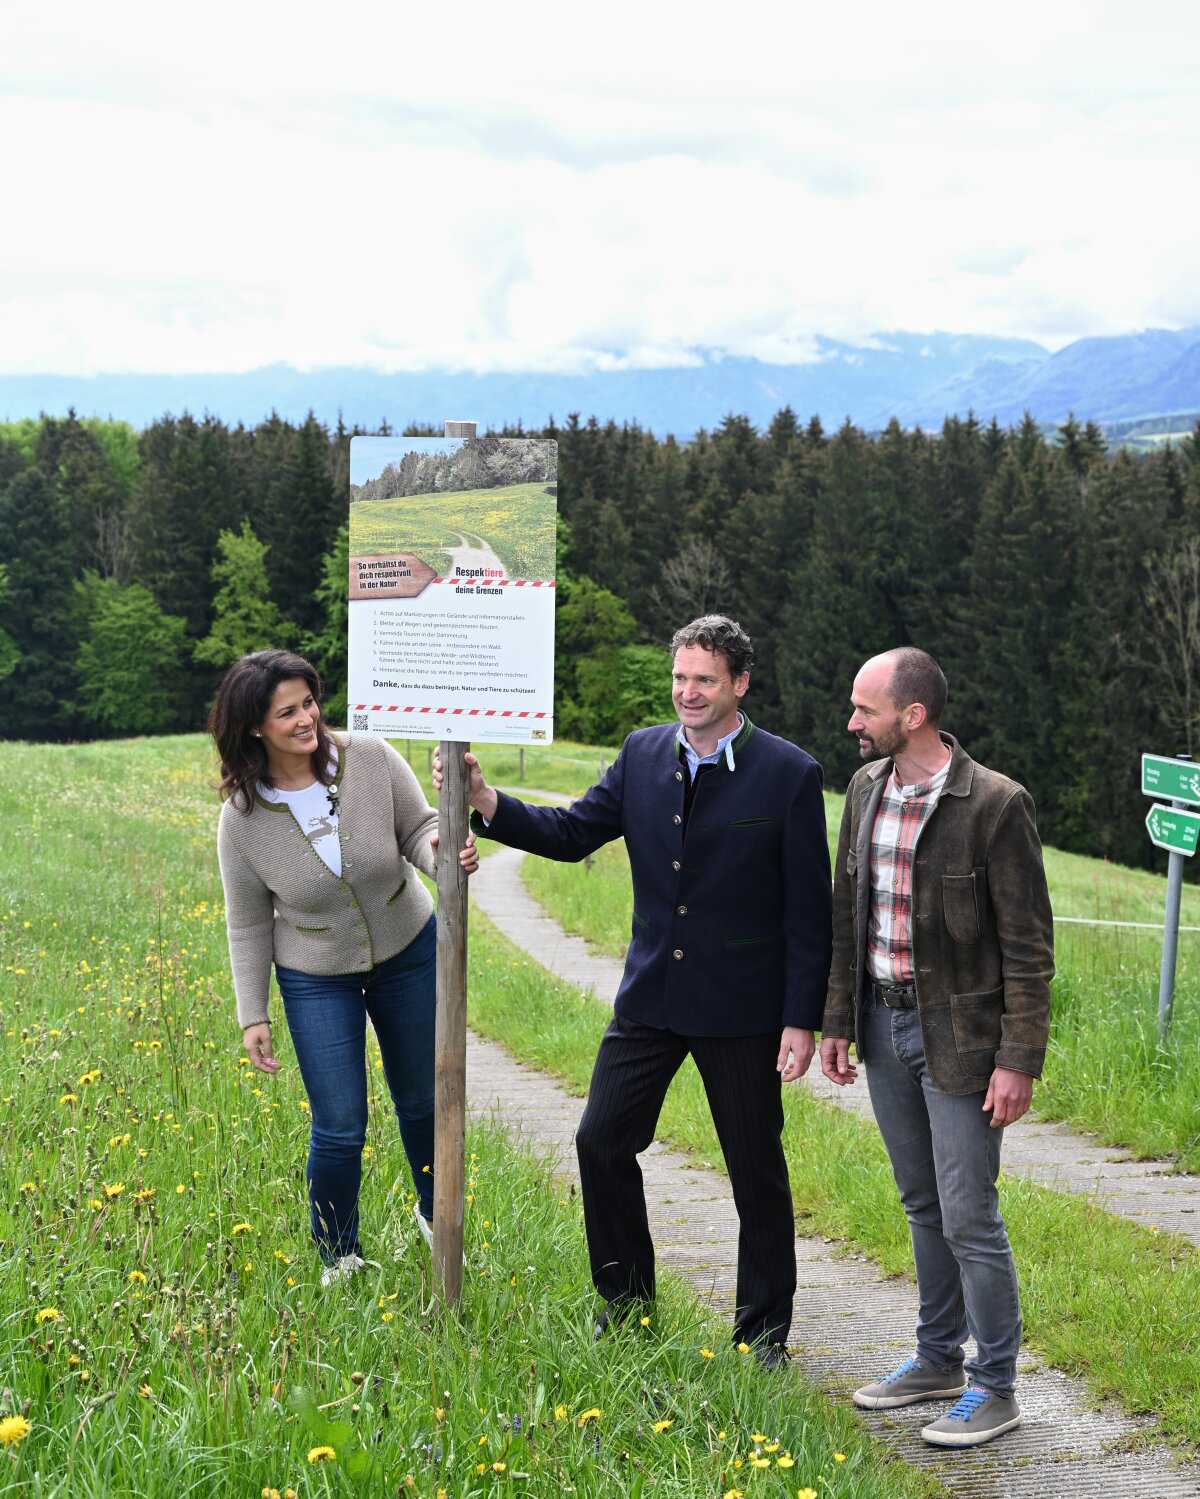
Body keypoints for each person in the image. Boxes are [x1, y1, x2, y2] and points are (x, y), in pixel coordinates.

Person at [436, 615, 832, 1363]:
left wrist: (800, 1017)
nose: (687, 692)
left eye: (704, 679)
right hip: (649, 997)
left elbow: (809, 913)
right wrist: (488, 802)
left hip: (742, 1006)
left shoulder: (790, 773)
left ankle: (763, 1334)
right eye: (679, 677)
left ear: (739, 683)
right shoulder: (643, 752)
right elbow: (574, 831)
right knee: (600, 1140)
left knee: (756, 1170)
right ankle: (625, 1307)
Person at [819, 647, 1053, 1447]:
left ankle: (995, 1386)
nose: (851, 722)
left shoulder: (995, 804)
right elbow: (848, 911)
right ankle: (936, 1358)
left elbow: (1029, 945)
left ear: (910, 715)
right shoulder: (863, 789)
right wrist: (839, 1022)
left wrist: (1019, 1057)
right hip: (882, 1029)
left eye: (865, 709)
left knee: (969, 1214)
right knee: (922, 1202)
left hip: (962, 1039)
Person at [209, 649, 478, 1286]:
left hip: (409, 950)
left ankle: (436, 1219)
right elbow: (248, 922)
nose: (307, 719)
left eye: (309, 703)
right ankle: (340, 1254)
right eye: (287, 712)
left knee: (421, 1102)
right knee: (339, 1125)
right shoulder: (242, 820)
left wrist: (438, 846)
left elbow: (417, 827)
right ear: (254, 726)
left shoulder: (371, 756)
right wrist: (254, 1014)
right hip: (314, 975)